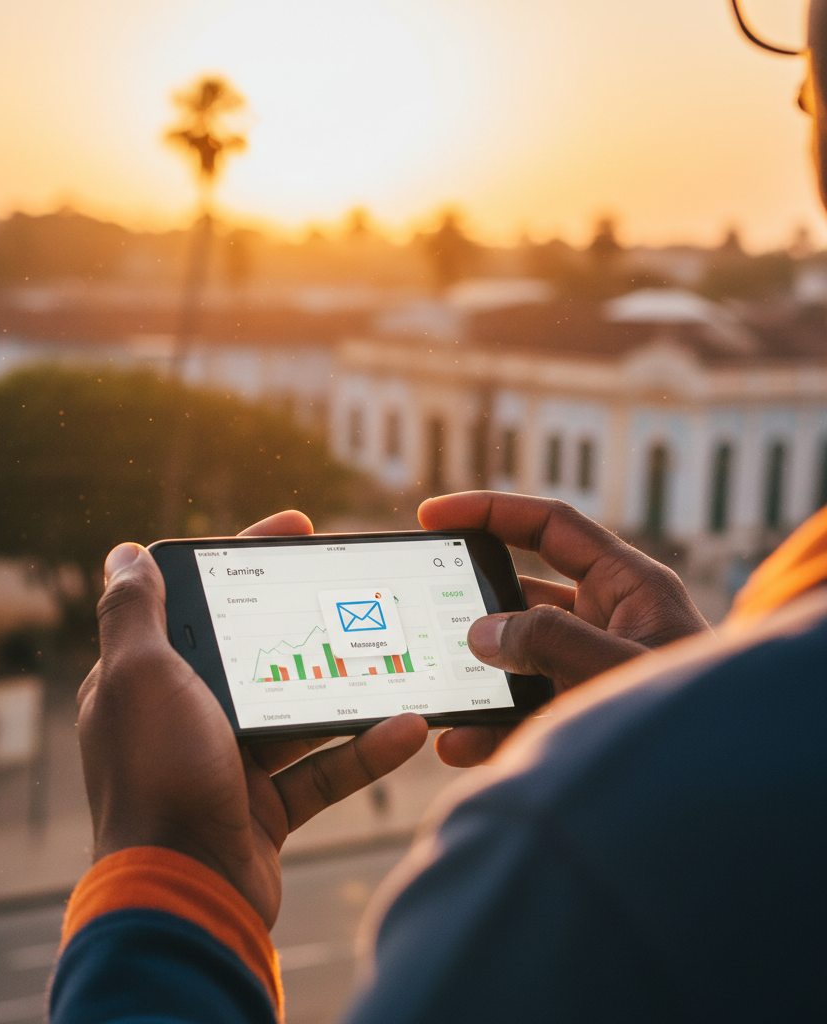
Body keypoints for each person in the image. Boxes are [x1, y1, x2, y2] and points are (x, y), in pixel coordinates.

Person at [50, 6, 827, 1022]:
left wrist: (171, 875)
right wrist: (701, 698)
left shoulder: (582, 850)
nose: (797, 95)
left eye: (800, 62)